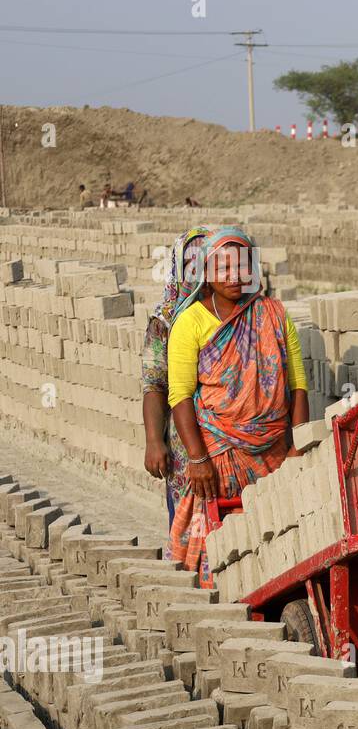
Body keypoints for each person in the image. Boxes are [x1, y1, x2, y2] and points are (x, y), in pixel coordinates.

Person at [167, 226, 310, 586]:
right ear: (206, 273)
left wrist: (298, 448)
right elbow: (180, 396)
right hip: (218, 455)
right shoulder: (190, 322)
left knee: (278, 539)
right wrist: (197, 459)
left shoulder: (272, 313)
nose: (233, 276)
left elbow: (298, 385)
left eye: (241, 266)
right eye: (223, 268)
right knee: (218, 547)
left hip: (274, 452)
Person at [143, 226, 211, 528]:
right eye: (192, 262)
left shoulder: (233, 312)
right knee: (190, 525)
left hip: (232, 440)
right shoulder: (166, 320)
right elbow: (154, 384)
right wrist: (153, 441)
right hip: (186, 446)